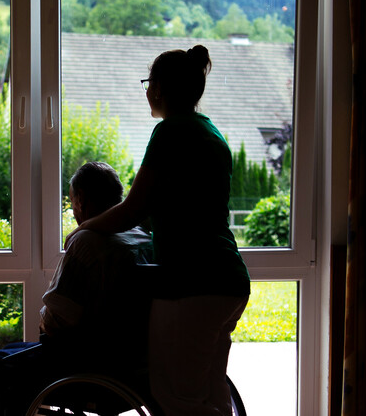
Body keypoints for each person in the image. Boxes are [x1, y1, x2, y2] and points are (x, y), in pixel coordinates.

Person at [64, 46, 251, 416]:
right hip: (228, 280)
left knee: (176, 401)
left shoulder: (169, 132)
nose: (146, 91)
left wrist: (82, 230)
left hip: (191, 285)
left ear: (160, 88)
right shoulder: (210, 132)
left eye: (149, 83)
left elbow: (134, 209)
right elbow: (162, 213)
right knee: (210, 397)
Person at [0, 161, 154, 416]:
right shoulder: (143, 237)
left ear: (81, 201)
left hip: (87, 367)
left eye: (73, 201)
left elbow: (56, 323)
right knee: (12, 353)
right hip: (136, 368)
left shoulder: (88, 241)